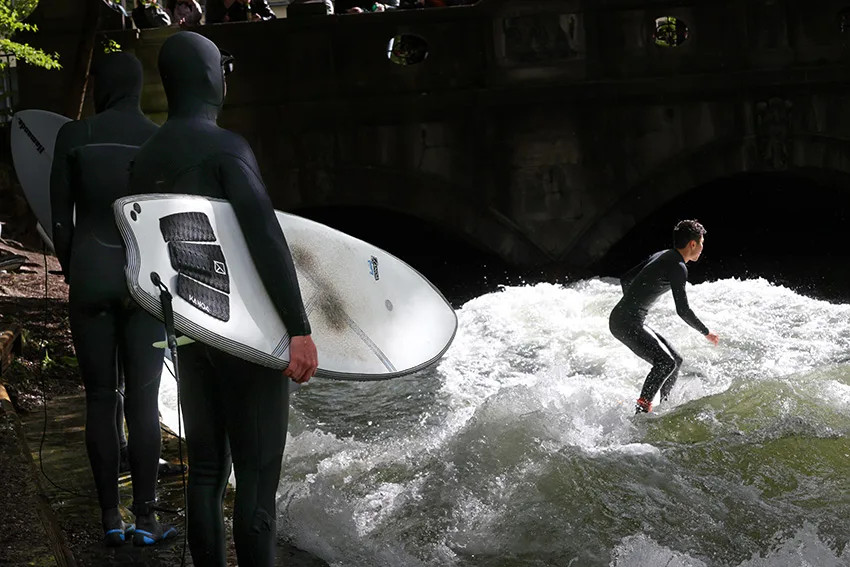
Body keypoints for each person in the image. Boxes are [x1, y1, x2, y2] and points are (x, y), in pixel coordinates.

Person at [127, 31, 319, 567]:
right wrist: (298, 328)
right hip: (243, 330)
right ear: (210, 77)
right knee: (257, 479)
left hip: (191, 331)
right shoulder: (227, 148)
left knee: (207, 471)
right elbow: (264, 237)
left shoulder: (144, 159)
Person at [49, 51, 176, 547]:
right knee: (144, 404)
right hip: (145, 285)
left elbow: (61, 220)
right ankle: (146, 521)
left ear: (101, 85)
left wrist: (73, 266)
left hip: (92, 277)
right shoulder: (160, 140)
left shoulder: (73, 136)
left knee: (102, 398)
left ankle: (110, 518)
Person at [608, 219, 719, 414]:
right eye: (701, 243)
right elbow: (683, 310)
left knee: (675, 361)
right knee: (665, 363)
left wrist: (635, 304)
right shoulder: (677, 266)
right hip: (626, 322)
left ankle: (666, 406)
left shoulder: (664, 255)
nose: (702, 248)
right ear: (692, 244)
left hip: (626, 318)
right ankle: (641, 412)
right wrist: (706, 332)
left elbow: (626, 278)